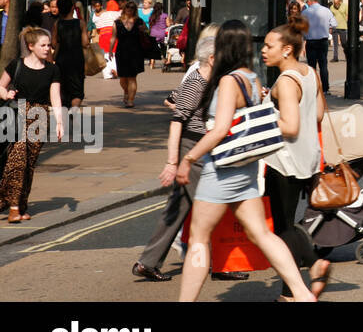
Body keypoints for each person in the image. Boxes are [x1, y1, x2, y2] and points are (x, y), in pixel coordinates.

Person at [173, 20, 316, 302]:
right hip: (247, 167)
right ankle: (302, 294)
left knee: (199, 238)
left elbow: (220, 129)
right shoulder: (252, 78)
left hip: (223, 169)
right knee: (262, 234)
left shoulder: (228, 81)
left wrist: (188, 157)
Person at [133, 25, 234, 283]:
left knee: (178, 208)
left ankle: (148, 262)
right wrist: (173, 161)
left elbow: (173, 98)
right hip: (194, 148)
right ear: (212, 58)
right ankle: (218, 264)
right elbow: (177, 119)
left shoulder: (210, 81)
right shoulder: (197, 81)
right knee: (212, 206)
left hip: (200, 147)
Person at [262, 18, 332, 300]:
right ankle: (293, 288)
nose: (263, 51)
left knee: (283, 228)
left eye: (269, 46)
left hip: (284, 161)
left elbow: (289, 126)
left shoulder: (286, 81)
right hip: (307, 158)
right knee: (286, 226)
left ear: (287, 49)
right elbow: (317, 115)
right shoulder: (309, 73)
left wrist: (262, 117)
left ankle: (312, 267)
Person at [0, 27, 65, 222]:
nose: (48, 49)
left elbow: (55, 96)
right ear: (31, 46)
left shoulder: (53, 69)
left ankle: (20, 204)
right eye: (43, 45)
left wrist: (60, 122)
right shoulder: (16, 65)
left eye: (49, 45)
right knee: (17, 159)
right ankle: (13, 208)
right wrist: (6, 94)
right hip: (16, 113)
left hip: (40, 117)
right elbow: (1, 86)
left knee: (29, 164)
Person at [51, 0, 87, 110]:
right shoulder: (80, 23)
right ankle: (75, 108)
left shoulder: (58, 24)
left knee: (64, 87)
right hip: (77, 59)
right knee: (77, 89)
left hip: (61, 59)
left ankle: (65, 109)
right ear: (72, 8)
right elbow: (85, 43)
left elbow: (53, 43)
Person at [110, 1, 148, 108]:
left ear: (134, 10)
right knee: (122, 78)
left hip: (136, 52)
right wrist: (110, 50)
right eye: (128, 7)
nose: (129, 10)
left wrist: (144, 30)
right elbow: (113, 37)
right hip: (121, 52)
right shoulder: (117, 22)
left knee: (132, 77)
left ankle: (131, 100)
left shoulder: (139, 21)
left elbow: (147, 32)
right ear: (124, 9)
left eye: (132, 8)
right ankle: (126, 91)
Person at [301, 0, 333, 95]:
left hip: (311, 41)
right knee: (323, 65)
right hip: (323, 41)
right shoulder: (326, 11)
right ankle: (326, 88)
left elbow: (301, 26)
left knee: (312, 66)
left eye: (307, 2)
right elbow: (334, 24)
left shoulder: (305, 12)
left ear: (310, 1)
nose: (307, 4)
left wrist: (305, 35)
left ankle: (313, 88)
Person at [147, 0, 168, 71]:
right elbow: (168, 24)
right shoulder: (165, 15)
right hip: (162, 34)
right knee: (163, 48)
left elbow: (150, 25)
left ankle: (152, 63)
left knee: (153, 48)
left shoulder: (151, 16)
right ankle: (165, 60)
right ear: (162, 9)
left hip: (153, 33)